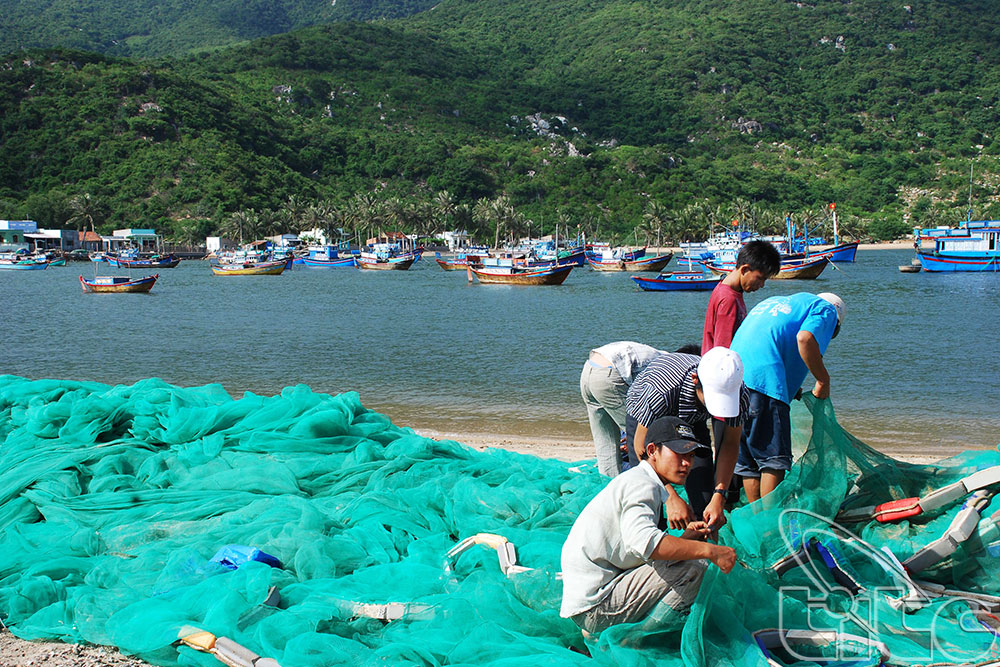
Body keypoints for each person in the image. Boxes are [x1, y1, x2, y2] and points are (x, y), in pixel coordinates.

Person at [560, 416, 738, 636]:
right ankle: (632, 642)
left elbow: (638, 547)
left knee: (689, 557)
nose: (687, 463)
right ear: (652, 450)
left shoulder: (641, 480)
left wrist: (687, 538)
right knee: (695, 567)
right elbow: (645, 543)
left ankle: (624, 635)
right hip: (596, 607)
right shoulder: (642, 486)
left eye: (690, 456)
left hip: (597, 594)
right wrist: (711, 551)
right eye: (679, 454)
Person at [730, 292, 845, 502]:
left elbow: (772, 341)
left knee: (749, 463)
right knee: (772, 460)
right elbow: (805, 338)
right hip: (764, 383)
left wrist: (791, 386)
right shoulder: (826, 309)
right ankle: (772, 522)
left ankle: (757, 523)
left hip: (732, 381)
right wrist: (823, 380)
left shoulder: (776, 301)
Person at [625, 347, 749, 530]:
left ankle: (703, 551)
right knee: (649, 500)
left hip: (694, 415)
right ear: (695, 380)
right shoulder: (661, 391)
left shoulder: (740, 394)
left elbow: (730, 445)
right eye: (713, 399)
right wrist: (670, 497)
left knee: (705, 496)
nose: (718, 408)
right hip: (649, 413)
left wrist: (719, 495)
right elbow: (641, 448)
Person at [580, 342, 661, 477]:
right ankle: (645, 482)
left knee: (605, 439)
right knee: (641, 436)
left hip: (589, 370)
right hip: (608, 373)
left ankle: (609, 482)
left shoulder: (658, 356)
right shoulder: (669, 366)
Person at [701, 240, 782, 354]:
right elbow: (723, 352)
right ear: (745, 269)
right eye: (760, 278)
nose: (762, 285)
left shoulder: (729, 291)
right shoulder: (729, 299)